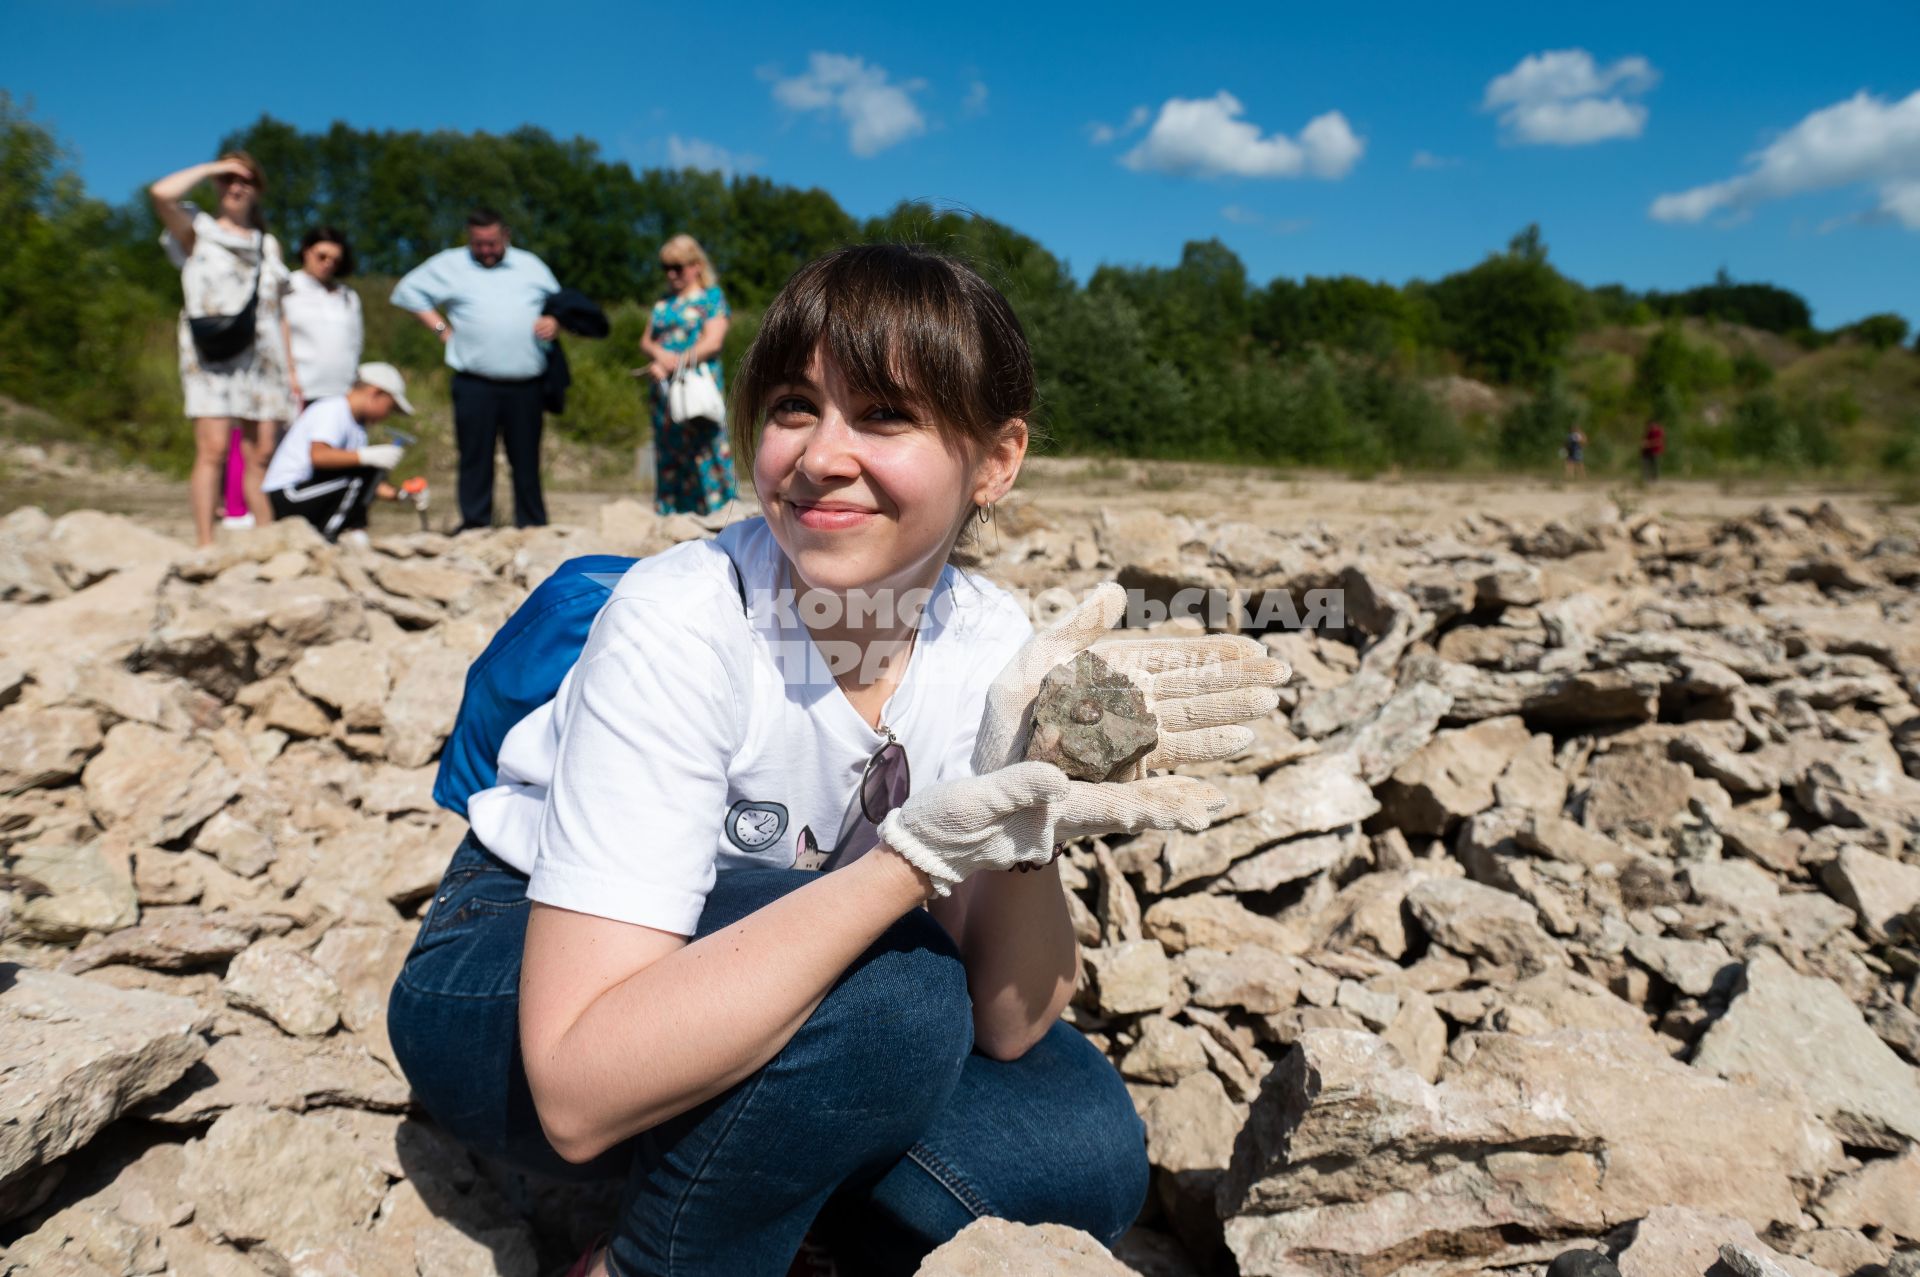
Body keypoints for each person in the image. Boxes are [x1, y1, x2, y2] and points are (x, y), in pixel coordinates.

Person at [387, 245, 1288, 1277]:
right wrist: (906, 864)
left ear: (997, 459)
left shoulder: (991, 643)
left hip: (793, 983)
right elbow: (578, 1087)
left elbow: (1010, 1019)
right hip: (522, 975)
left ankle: (768, 1179)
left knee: (1075, 1151)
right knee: (899, 993)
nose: (820, 455)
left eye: (884, 416)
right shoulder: (682, 619)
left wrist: (1025, 836)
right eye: (792, 407)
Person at [151, 152, 297, 547]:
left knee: (262, 453)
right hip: (212, 353)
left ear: (257, 189)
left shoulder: (269, 245)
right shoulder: (197, 230)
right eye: (227, 179)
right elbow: (160, 193)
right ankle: (205, 543)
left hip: (262, 357)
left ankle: (266, 539)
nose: (235, 187)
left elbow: (278, 311)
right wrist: (213, 167)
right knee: (214, 448)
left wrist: (292, 372)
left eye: (245, 180)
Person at [391, 208, 560, 530]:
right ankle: (476, 524)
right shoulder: (451, 263)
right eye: (478, 244)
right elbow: (407, 292)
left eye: (492, 243)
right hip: (474, 382)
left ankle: (533, 525)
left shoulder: (531, 266)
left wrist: (554, 321)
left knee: (526, 461)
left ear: (505, 236)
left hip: (526, 382)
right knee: (474, 458)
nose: (485, 250)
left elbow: (559, 303)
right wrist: (442, 330)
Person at [262, 362, 413, 543]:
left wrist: (400, 495)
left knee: (364, 472)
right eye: (389, 408)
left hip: (308, 491)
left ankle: (352, 533)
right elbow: (318, 456)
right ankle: (330, 539)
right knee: (360, 474)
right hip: (288, 494)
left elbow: (364, 483)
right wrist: (366, 456)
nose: (386, 415)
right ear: (375, 393)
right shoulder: (333, 409)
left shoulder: (357, 427)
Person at [640, 234, 736, 515]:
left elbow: (713, 341)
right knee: (669, 450)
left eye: (677, 267)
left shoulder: (711, 297)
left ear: (696, 266)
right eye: (665, 268)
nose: (671, 274)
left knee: (706, 446)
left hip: (697, 384)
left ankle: (719, 511)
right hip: (664, 391)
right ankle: (673, 514)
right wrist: (658, 356)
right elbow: (645, 341)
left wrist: (674, 363)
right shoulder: (663, 303)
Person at [284, 226, 365, 405]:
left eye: (335, 260)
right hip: (299, 391)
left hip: (341, 393)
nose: (328, 263)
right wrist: (289, 374)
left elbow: (356, 343)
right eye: (322, 256)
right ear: (306, 251)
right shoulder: (287, 287)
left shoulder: (348, 296)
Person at [1641, 418, 1665, 483]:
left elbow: (1659, 441)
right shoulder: (1649, 432)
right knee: (1646, 464)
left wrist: (1648, 443)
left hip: (1655, 451)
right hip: (1647, 451)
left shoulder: (1658, 431)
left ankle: (1655, 478)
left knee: (1655, 465)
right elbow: (1645, 439)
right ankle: (1646, 478)